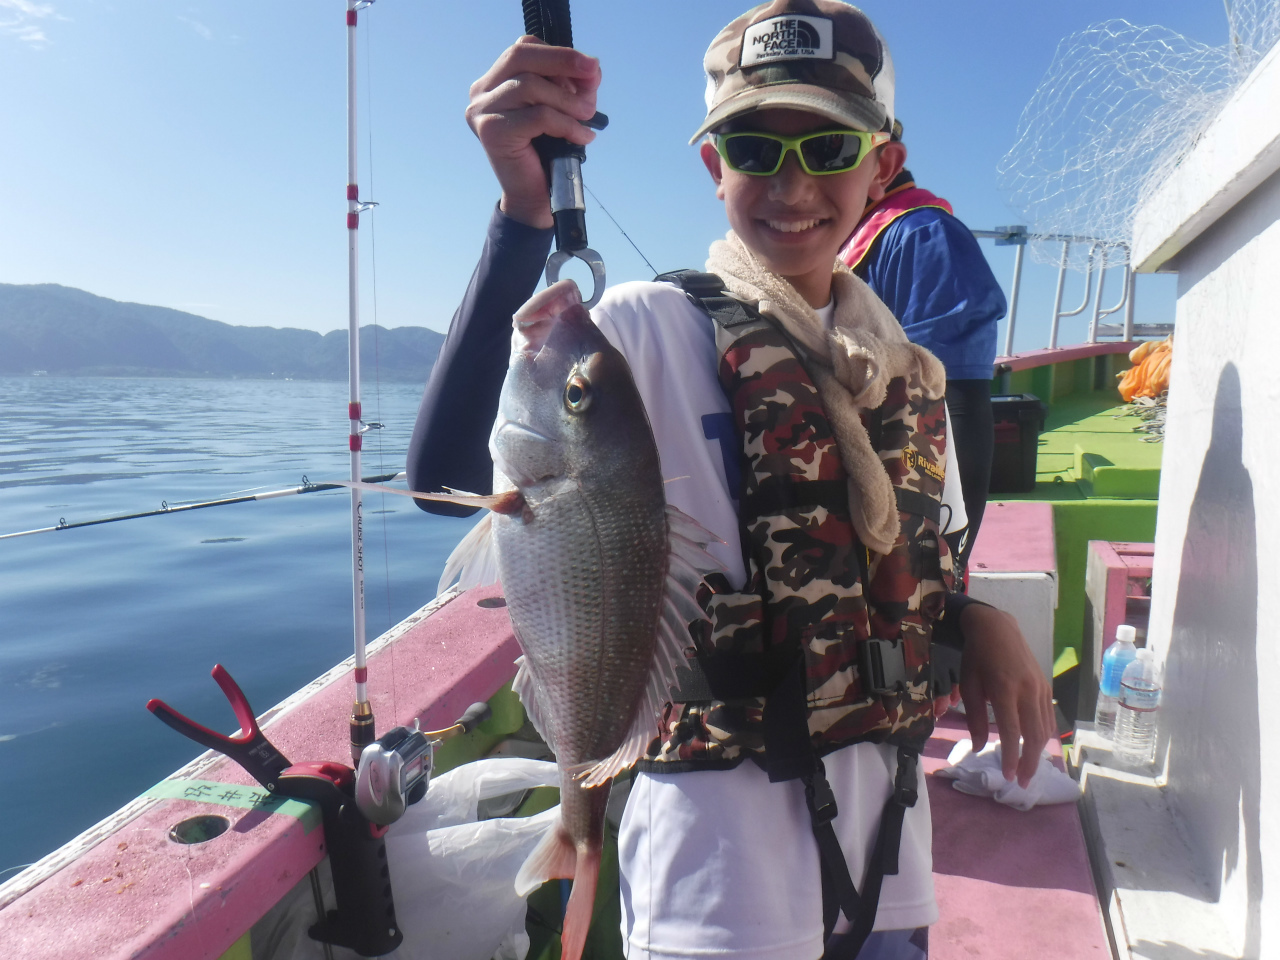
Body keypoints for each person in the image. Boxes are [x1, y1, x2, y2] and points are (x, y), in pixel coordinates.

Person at [408, 3, 1053, 958]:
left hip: (887, 873)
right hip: (713, 889)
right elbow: (446, 476)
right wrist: (522, 215)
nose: (792, 183)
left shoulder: (908, 376)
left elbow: (918, 569)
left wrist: (975, 620)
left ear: (881, 165)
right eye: (755, 144)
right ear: (716, 169)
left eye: (829, 146)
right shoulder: (638, 334)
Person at [838, 122, 1005, 570]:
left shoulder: (925, 236)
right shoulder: (830, 247)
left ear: (883, 163)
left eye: (831, 150)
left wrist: (948, 549)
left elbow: (955, 401)